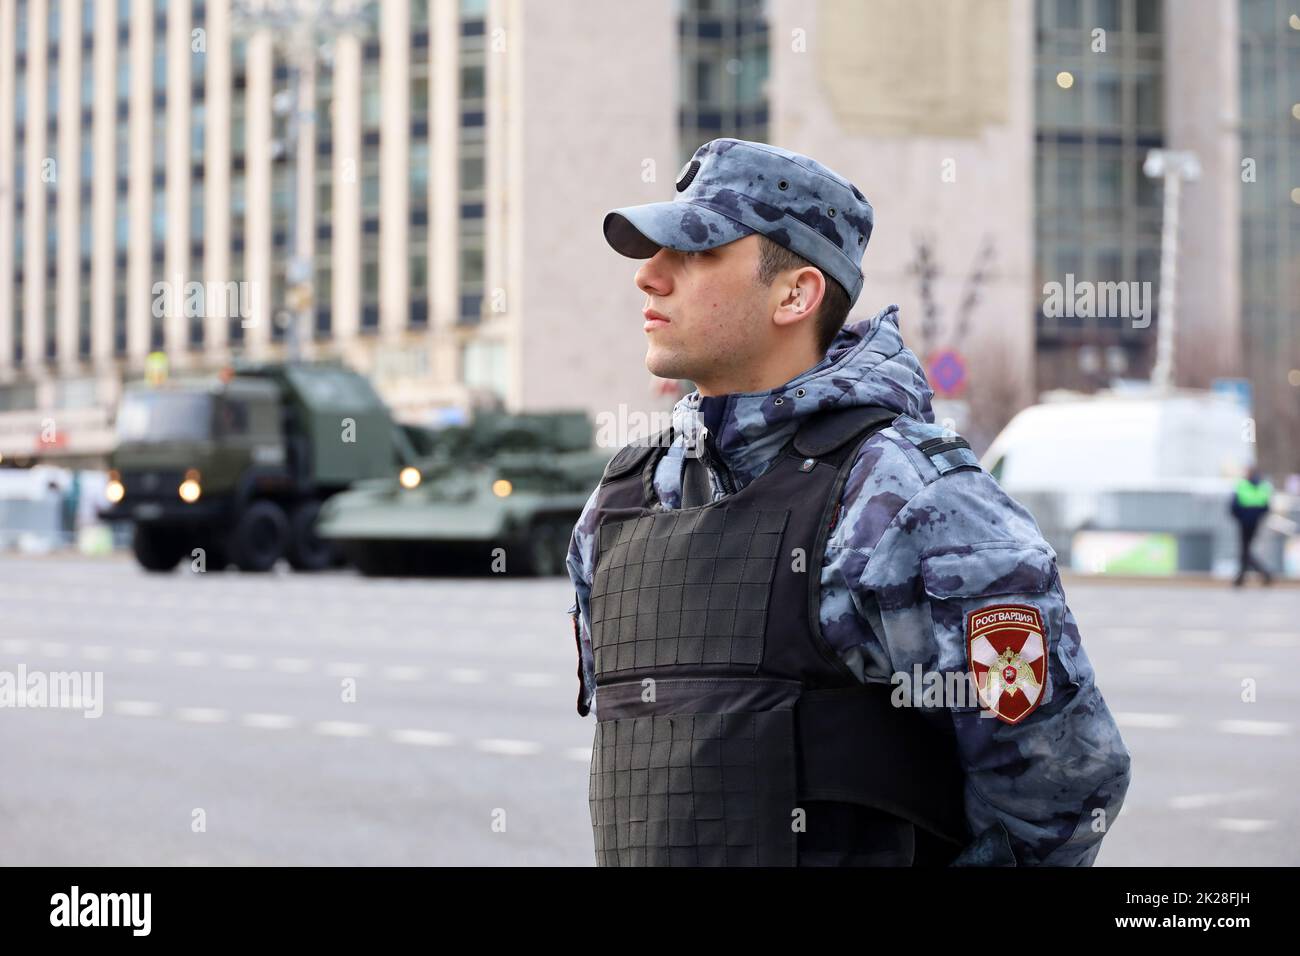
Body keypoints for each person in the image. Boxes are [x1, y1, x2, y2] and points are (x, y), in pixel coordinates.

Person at [566, 138, 1131, 867]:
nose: (649, 278)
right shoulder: (622, 504)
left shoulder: (912, 502)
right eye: (653, 254)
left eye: (697, 254)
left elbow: (1062, 784)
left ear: (795, 294)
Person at [1230, 467, 1274, 587]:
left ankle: (1262, 574)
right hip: (1256, 523)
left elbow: (1233, 505)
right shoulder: (1264, 486)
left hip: (1244, 523)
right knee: (1246, 550)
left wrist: (1240, 517)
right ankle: (1242, 577)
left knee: (1245, 550)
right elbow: (1266, 507)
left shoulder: (1242, 485)